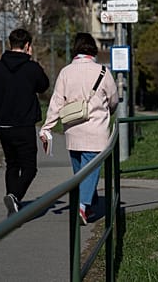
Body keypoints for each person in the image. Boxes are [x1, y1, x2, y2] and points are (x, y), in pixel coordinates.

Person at [40, 33, 118, 225]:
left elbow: (56, 102)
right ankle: (82, 207)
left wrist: (47, 127)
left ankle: (88, 206)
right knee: (90, 171)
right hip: (96, 131)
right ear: (93, 49)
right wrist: (108, 110)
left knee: (80, 174)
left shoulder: (66, 72)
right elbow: (114, 99)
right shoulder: (102, 72)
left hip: (73, 132)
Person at [0, 28, 50, 217]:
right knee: (29, 167)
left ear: (10, 44)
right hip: (24, 125)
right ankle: (14, 196)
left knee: (12, 165)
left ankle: (12, 209)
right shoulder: (32, 68)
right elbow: (44, 85)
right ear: (28, 46)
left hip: (4, 125)